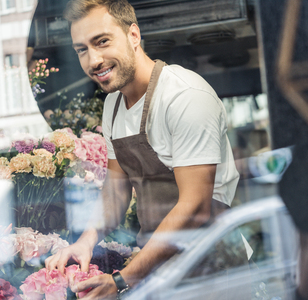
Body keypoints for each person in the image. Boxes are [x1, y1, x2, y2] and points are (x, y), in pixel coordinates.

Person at [45, 0, 242, 299]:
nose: (93, 60)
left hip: (213, 271)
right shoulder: (112, 104)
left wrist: (123, 281)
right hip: (161, 271)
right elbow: (115, 191)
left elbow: (196, 209)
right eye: (81, 50)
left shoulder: (184, 96)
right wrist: (86, 240)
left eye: (102, 41)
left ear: (133, 36)